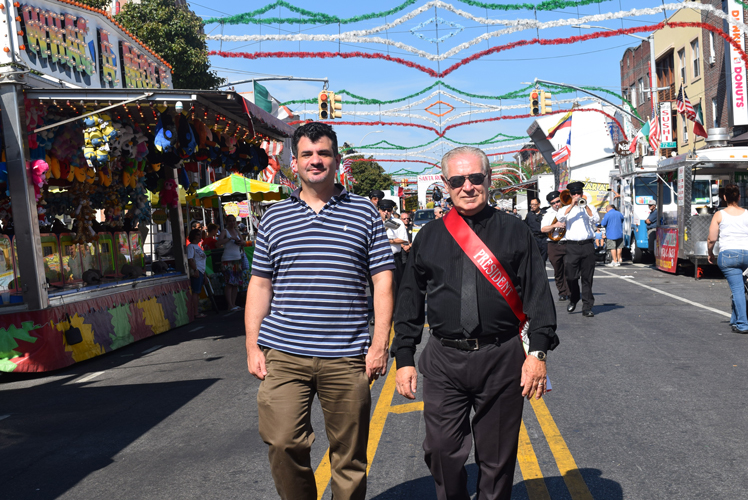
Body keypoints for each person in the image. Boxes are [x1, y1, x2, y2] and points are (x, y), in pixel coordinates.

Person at [392, 146, 558, 500]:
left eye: (475, 178)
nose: (467, 186)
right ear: (445, 184)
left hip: (501, 356)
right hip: (444, 359)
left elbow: (538, 296)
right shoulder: (429, 236)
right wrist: (404, 357)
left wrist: (538, 354)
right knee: (440, 450)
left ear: (489, 179)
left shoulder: (515, 231)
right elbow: (408, 300)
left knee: (497, 459)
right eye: (457, 179)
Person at [245, 122, 395, 500]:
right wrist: (251, 345)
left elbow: (382, 282)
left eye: (324, 153)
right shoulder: (274, 218)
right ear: (293, 163)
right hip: (284, 353)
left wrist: (379, 344)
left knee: (349, 456)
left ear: (336, 160)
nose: (316, 161)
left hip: (346, 355)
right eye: (307, 154)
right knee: (282, 442)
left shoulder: (364, 213)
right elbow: (260, 285)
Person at [708, 184, 748, 334]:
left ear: (724, 198)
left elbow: (712, 239)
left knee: (737, 289)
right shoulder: (747, 214)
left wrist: (710, 253)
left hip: (729, 256)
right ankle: (734, 319)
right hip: (747, 254)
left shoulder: (719, 214)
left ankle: (743, 324)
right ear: (739, 197)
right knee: (741, 286)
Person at [556, 181, 599, 318]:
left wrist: (586, 207)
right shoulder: (565, 209)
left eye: (578, 193)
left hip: (587, 245)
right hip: (572, 246)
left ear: (582, 194)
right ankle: (574, 298)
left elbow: (596, 219)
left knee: (587, 278)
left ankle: (587, 306)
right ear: (570, 194)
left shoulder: (589, 207)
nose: (576, 195)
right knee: (571, 276)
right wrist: (571, 205)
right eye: (574, 193)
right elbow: (560, 218)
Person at [541, 191, 571, 302]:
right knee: (558, 270)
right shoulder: (548, 214)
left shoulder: (568, 210)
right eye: (553, 203)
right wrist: (555, 225)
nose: (556, 204)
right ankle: (562, 292)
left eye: (558, 201)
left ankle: (570, 291)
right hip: (553, 245)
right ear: (550, 204)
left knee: (569, 269)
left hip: (567, 243)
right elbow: (543, 229)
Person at [379, 199, 409, 292]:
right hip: (379, 258)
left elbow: (403, 239)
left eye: (388, 210)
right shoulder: (375, 222)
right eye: (383, 210)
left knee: (396, 285)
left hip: (393, 258)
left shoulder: (397, 222)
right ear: (379, 210)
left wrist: (389, 241)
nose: (386, 212)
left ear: (391, 211)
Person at [217, 215, 244, 311]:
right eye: (230, 221)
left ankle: (234, 304)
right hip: (227, 259)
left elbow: (243, 242)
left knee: (236, 283)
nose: (232, 223)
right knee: (229, 282)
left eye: (233, 221)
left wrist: (240, 242)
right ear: (227, 222)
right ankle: (230, 304)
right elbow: (218, 242)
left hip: (237, 258)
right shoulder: (225, 231)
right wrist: (229, 239)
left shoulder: (237, 231)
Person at [186, 228, 207, 319]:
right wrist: (195, 270)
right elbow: (190, 259)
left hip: (201, 271)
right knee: (196, 292)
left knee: (198, 292)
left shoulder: (198, 246)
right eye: (198, 234)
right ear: (194, 236)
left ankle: (196, 310)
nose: (200, 236)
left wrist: (204, 274)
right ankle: (195, 312)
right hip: (196, 271)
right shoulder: (191, 247)